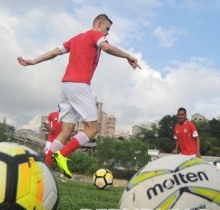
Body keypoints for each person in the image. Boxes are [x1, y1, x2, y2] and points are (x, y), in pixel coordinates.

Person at [18, 14, 140, 178]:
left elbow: (55, 52)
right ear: (99, 23)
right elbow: (106, 47)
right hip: (79, 85)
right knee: (92, 128)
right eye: (107, 29)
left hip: (66, 86)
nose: (107, 33)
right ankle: (62, 155)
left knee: (66, 131)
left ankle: (44, 169)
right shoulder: (94, 34)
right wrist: (128, 56)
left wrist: (33, 61)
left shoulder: (75, 38)